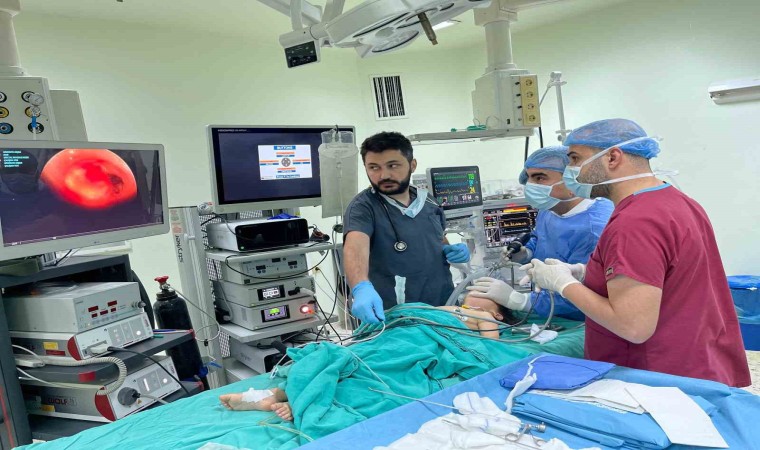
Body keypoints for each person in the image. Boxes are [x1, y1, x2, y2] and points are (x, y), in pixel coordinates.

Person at [522, 118, 750, 387]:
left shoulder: (635, 222)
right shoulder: (677, 201)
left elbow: (633, 326)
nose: (571, 171)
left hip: (655, 378)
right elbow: (668, 276)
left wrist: (563, 284)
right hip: (696, 363)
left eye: (574, 159)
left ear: (613, 157)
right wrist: (583, 273)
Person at [219, 295, 515, 416]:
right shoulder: (447, 307)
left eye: (488, 294)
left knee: (379, 366)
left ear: (499, 312)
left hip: (422, 341)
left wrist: (471, 324)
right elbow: (410, 313)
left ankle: (293, 397)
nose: (478, 290)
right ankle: (279, 392)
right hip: (400, 330)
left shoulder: (484, 316)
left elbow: (487, 350)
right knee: (350, 354)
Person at [466, 146, 614, 321]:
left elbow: (586, 294)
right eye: (528, 177)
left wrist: (520, 300)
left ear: (573, 182)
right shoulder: (551, 207)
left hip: (577, 319)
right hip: (546, 302)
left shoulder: (594, 229)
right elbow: (539, 237)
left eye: (540, 178)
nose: (530, 185)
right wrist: (525, 253)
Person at [343, 131, 469, 324]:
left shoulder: (428, 202)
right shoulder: (363, 207)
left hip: (442, 305)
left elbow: (437, 237)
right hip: (395, 314)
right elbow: (354, 248)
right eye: (374, 167)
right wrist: (361, 287)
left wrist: (448, 249)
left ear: (412, 165)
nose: (384, 175)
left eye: (393, 165)